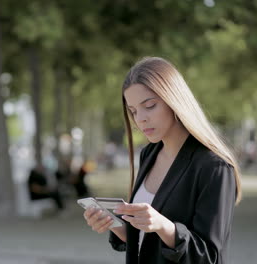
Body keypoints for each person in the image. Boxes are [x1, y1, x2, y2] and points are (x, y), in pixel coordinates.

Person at [82, 57, 242, 263]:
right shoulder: (149, 154)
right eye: (133, 111)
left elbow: (210, 256)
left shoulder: (214, 167)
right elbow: (144, 241)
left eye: (149, 106)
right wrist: (115, 225)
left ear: (174, 100)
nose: (140, 119)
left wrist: (164, 226)